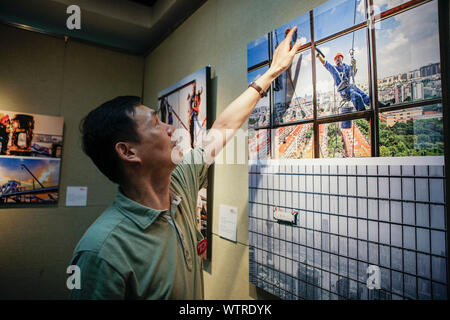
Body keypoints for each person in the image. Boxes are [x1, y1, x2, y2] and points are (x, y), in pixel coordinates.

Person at [69, 27, 302, 300]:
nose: (170, 128)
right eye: (156, 123)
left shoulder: (180, 186)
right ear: (128, 152)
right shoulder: (102, 251)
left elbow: (223, 128)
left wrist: (273, 72)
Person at [316, 51, 388, 111]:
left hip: (350, 87)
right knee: (357, 96)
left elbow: (352, 73)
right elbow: (326, 64)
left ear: (342, 58)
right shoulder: (334, 69)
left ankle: (380, 106)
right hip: (343, 90)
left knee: (364, 96)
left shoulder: (346, 67)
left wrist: (354, 64)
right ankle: (363, 113)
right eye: (336, 58)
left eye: (339, 57)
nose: (338, 59)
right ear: (335, 61)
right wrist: (319, 57)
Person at [187, 84, 203, 148]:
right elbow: (190, 104)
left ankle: (194, 143)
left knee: (194, 129)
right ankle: (192, 144)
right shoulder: (191, 98)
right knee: (191, 130)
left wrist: (199, 93)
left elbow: (195, 105)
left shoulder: (196, 98)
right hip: (191, 115)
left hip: (194, 114)